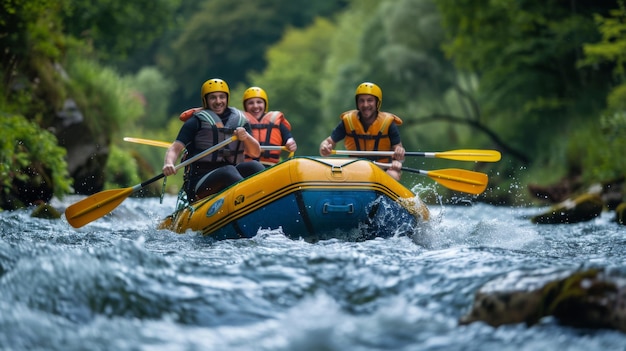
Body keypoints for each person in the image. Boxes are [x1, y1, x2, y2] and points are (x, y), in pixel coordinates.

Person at [163, 78, 264, 201]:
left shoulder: (240, 121)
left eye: (222, 97)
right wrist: (169, 163)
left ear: (227, 98)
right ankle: (251, 200)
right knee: (227, 171)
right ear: (205, 100)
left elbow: (255, 152)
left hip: (231, 173)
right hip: (200, 181)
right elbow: (175, 148)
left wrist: (246, 137)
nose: (218, 101)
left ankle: (266, 198)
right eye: (213, 98)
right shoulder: (195, 122)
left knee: (255, 166)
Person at [319, 82, 405, 180]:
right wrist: (324, 147)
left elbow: (399, 153)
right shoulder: (348, 121)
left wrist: (397, 160)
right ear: (357, 103)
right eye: (361, 101)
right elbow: (328, 142)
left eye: (370, 100)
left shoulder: (388, 123)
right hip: (356, 168)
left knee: (393, 174)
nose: (365, 105)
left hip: (384, 168)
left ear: (377, 102)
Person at [242, 86, 297, 167]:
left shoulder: (275, 120)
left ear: (265, 104)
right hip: (247, 167)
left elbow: (287, 136)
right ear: (245, 106)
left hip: (271, 166)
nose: (255, 106)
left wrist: (290, 142)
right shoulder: (240, 121)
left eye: (259, 102)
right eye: (250, 103)